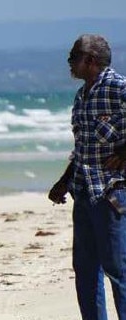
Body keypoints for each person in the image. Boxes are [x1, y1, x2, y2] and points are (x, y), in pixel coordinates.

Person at [49, 34, 126, 319]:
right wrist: (64, 181)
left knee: (118, 270)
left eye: (73, 57)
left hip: (112, 192)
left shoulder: (119, 88)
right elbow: (83, 146)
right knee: (85, 270)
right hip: (83, 192)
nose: (69, 62)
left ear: (90, 60)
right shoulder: (82, 94)